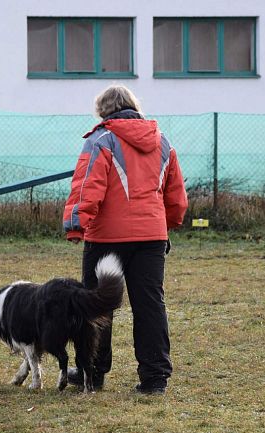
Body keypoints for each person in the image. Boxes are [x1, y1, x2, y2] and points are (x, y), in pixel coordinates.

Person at [62, 85, 188, 395]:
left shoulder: (101, 140)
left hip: (107, 239)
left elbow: (87, 185)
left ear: (103, 110)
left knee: (97, 305)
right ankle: (155, 379)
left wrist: (77, 223)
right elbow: (176, 194)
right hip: (152, 237)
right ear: (134, 105)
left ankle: (93, 373)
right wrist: (166, 225)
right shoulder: (163, 142)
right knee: (150, 306)